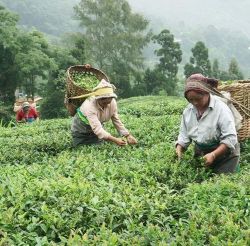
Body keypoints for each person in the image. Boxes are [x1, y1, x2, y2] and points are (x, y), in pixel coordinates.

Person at [175, 73, 240, 174]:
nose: (195, 103)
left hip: (225, 156)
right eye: (191, 100)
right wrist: (179, 149)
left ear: (207, 93)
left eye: (198, 99)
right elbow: (184, 136)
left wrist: (213, 155)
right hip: (202, 154)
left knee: (221, 185)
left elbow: (230, 138)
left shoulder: (221, 109)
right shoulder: (188, 111)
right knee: (200, 182)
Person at [71, 79, 138, 147]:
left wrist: (127, 135)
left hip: (96, 124)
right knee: (80, 147)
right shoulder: (89, 106)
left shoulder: (112, 102)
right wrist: (115, 140)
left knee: (99, 146)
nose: (106, 105)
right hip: (81, 127)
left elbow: (116, 120)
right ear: (98, 99)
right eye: (104, 103)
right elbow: (98, 129)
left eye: (108, 102)